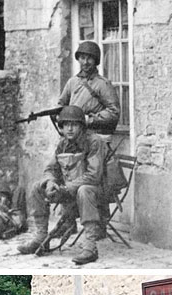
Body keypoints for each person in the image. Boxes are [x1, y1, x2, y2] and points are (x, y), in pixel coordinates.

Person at [17, 105, 108, 264]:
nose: (70, 129)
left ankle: (90, 246)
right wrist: (51, 182)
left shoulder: (94, 142)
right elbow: (51, 168)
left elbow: (94, 176)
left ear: (81, 126)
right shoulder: (63, 144)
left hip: (97, 191)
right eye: (66, 125)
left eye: (74, 125)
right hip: (69, 189)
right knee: (37, 188)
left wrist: (66, 188)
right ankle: (40, 237)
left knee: (84, 190)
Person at [57, 41, 121, 134]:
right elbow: (61, 104)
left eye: (90, 58)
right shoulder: (72, 82)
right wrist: (59, 116)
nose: (85, 62)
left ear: (96, 61)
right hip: (73, 135)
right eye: (82, 58)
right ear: (78, 59)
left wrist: (90, 119)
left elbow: (114, 112)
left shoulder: (103, 84)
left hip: (92, 135)